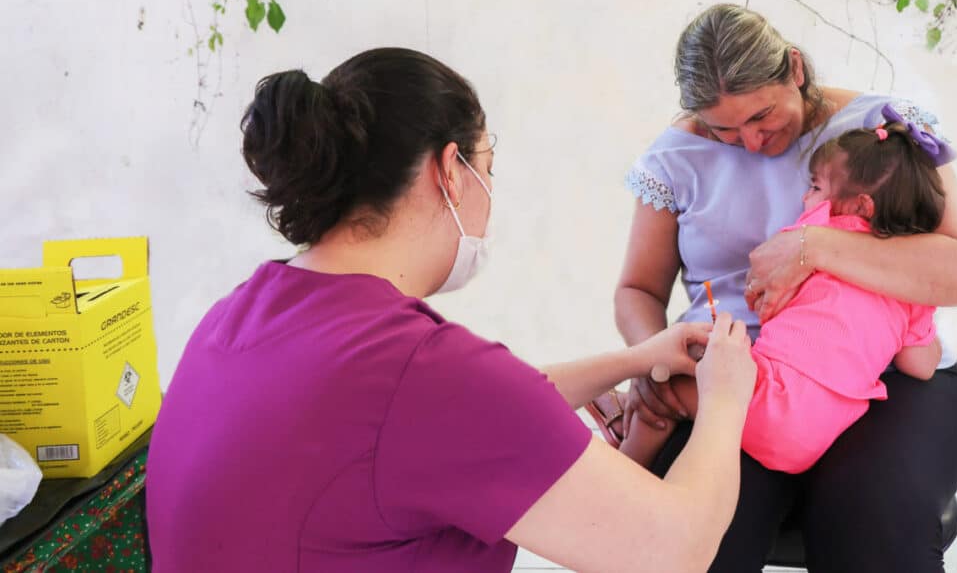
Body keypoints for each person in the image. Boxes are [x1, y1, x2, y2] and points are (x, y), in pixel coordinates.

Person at [145, 47, 757, 573]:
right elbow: (674, 549)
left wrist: (633, 359)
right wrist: (727, 398)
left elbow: (432, 423)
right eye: (486, 166)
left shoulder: (241, 314)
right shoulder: (422, 374)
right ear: (449, 171)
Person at [613, 4, 957, 572]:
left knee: (871, 524)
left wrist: (813, 248)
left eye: (763, 115)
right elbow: (637, 290)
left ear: (795, 69)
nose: (754, 142)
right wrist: (655, 361)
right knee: (697, 537)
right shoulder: (674, 160)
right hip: (741, 377)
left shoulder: (878, 133)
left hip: (878, 377)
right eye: (725, 130)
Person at [593, 116, 952, 474]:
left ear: (861, 207)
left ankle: (625, 465)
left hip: (767, 401)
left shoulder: (813, 231)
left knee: (665, 387)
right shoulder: (908, 284)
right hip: (824, 433)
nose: (805, 196)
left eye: (815, 187)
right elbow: (919, 366)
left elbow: (764, 304)